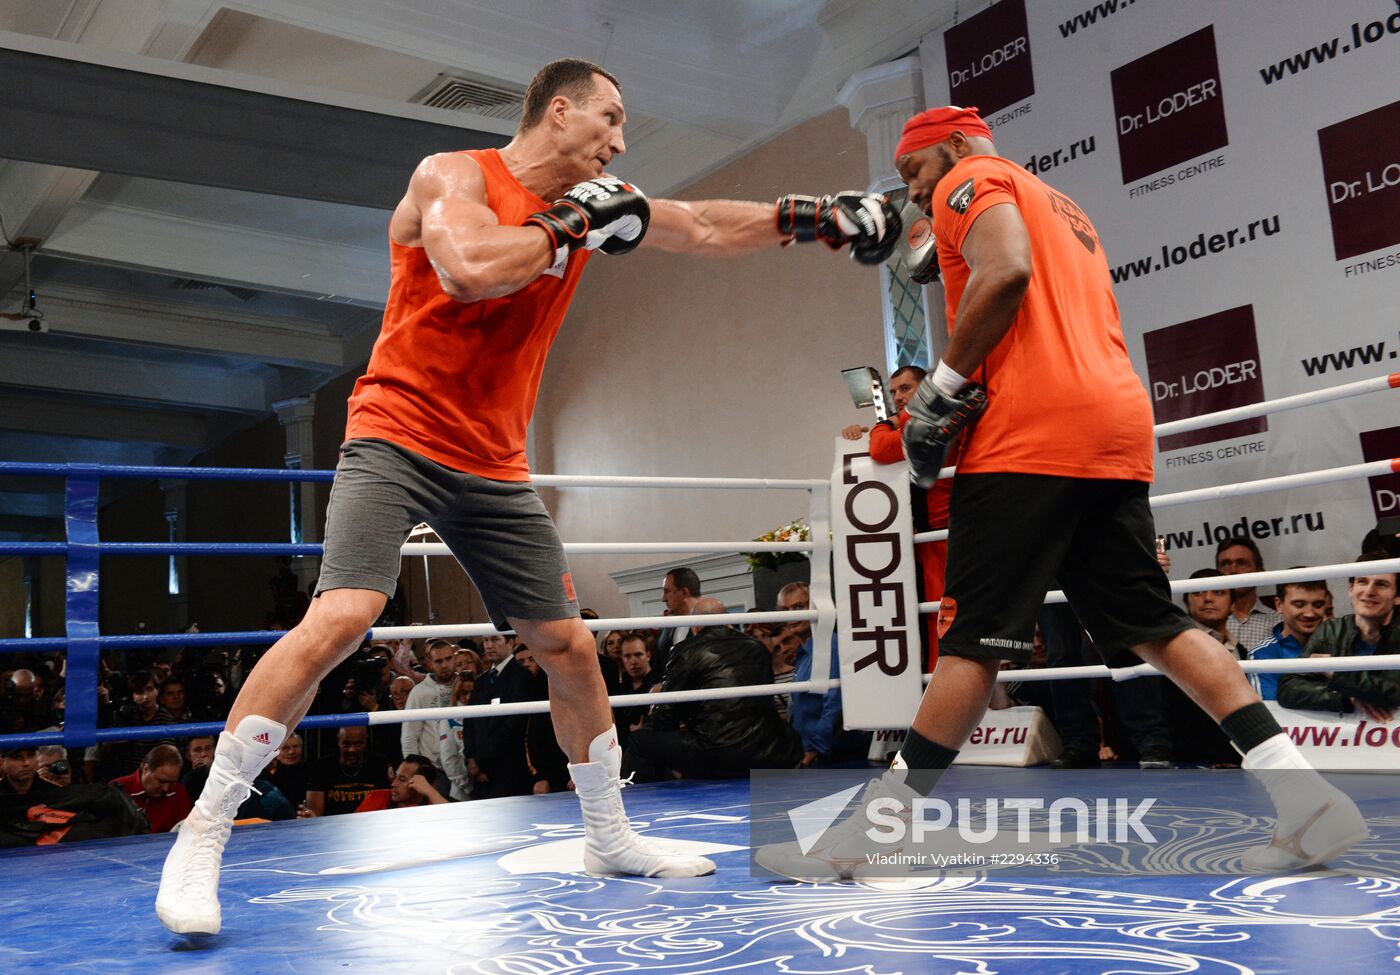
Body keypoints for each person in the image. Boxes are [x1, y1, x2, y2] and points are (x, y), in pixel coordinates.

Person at [156, 56, 898, 934]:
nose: (620, 142)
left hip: (495, 461)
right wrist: (571, 224)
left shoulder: (599, 202)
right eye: (609, 120)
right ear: (558, 110)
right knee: (345, 614)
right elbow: (470, 266)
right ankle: (203, 831)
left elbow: (698, 225)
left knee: (570, 646)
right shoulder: (456, 174)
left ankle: (608, 834)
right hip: (397, 433)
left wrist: (814, 217)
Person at [760, 105, 1365, 879]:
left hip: (1028, 435)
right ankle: (1309, 799)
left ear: (949, 147)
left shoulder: (969, 177)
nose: (915, 194)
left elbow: (1005, 270)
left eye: (914, 174)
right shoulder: (1063, 205)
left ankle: (873, 832)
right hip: (1111, 427)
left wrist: (939, 390)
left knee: (975, 640)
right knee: (1157, 624)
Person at [623, 598, 803, 781]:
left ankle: (649, 805)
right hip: (766, 750)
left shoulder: (685, 650)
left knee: (639, 740)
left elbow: (665, 717)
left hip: (716, 753)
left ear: (695, 627)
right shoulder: (756, 647)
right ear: (727, 620)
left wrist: (678, 716)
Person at [1277, 557, 1399, 716]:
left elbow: (1394, 692)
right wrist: (1346, 698)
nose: (1369, 591)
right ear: (1351, 589)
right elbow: (1289, 689)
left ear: (1397, 597)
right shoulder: (1331, 629)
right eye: (1362, 581)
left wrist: (1337, 672)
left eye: (1381, 584)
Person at [1248, 577, 1329, 701]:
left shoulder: (1340, 645)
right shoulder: (1262, 654)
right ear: (1279, 605)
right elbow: (1272, 711)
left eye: (1318, 605)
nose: (1310, 613)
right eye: (1299, 605)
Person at [1217, 537, 1282, 651]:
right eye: (1225, 564)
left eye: (1242, 563)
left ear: (1260, 572)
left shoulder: (1279, 622)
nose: (1233, 570)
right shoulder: (1207, 622)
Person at [111, 745, 192, 834]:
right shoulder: (116, 790)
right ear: (146, 769)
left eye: (171, 783)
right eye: (161, 781)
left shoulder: (178, 792)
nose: (166, 788)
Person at [354, 755, 448, 812]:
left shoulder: (434, 806)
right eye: (396, 777)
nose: (393, 784)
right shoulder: (377, 797)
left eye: (402, 779)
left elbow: (455, 819)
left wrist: (429, 790)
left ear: (420, 784)